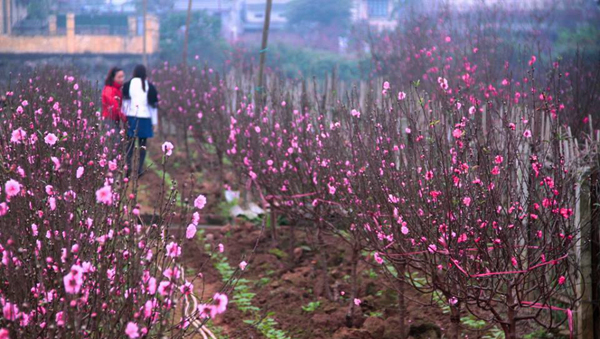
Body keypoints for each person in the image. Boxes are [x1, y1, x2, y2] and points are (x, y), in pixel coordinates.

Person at [122, 64, 159, 178]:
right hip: (145, 118)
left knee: (130, 145)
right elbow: (153, 107)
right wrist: (154, 122)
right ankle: (139, 169)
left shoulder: (128, 85)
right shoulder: (149, 86)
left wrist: (124, 118)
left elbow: (125, 104)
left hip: (132, 117)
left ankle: (128, 167)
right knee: (142, 145)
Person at [101, 67, 126, 149]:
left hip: (115, 120)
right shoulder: (109, 90)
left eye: (123, 76)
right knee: (114, 145)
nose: (122, 79)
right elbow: (115, 108)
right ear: (113, 78)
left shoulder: (117, 89)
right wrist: (125, 118)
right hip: (110, 120)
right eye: (119, 77)